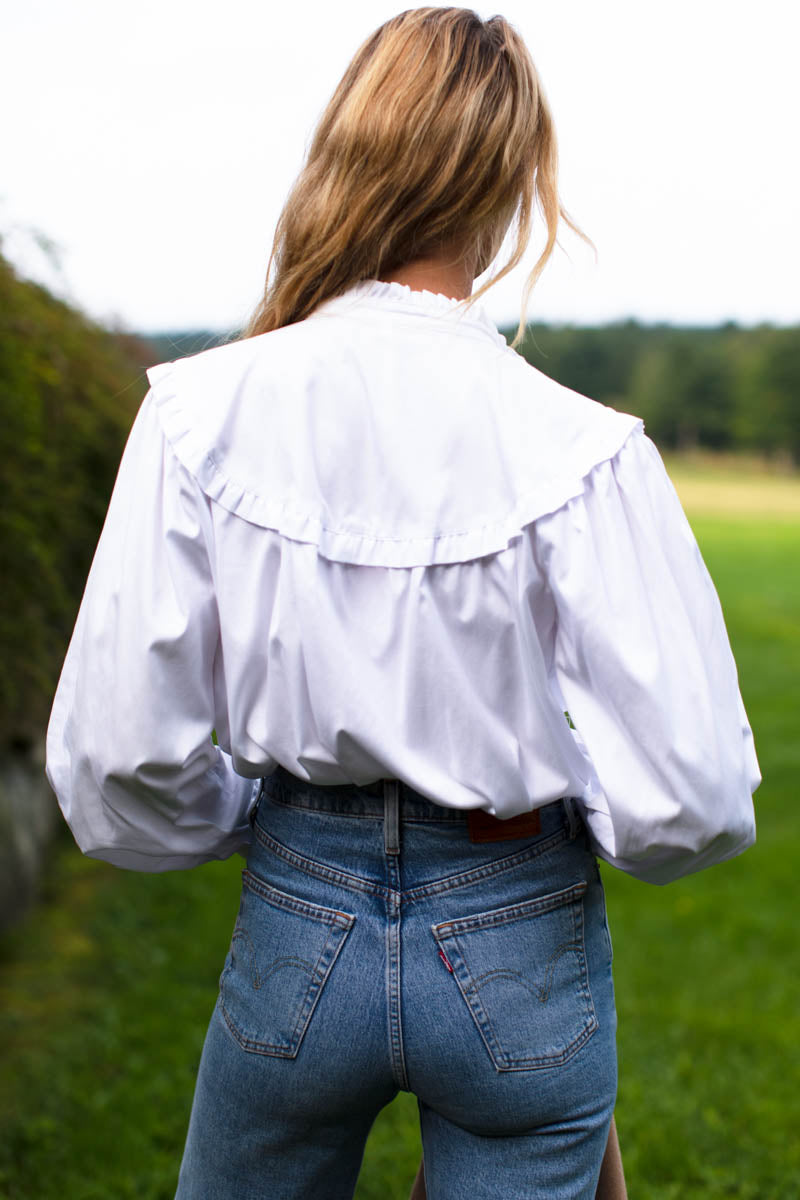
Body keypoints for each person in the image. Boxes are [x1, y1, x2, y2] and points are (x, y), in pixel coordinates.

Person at [45, 7, 759, 1198]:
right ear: (513, 179)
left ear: (347, 149)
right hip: (515, 920)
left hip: (297, 908)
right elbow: (690, 796)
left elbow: (119, 758)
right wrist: (551, 818)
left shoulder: (193, 413)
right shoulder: (583, 447)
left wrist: (258, 823)